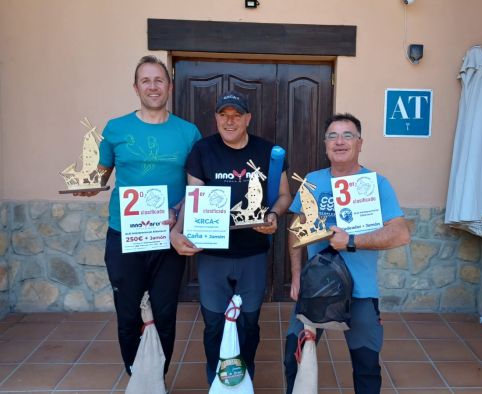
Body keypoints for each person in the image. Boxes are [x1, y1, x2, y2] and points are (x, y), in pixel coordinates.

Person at [75, 55, 202, 377]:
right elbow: (101, 175)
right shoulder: (116, 128)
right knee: (129, 313)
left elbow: (195, 186)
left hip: (168, 237)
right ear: (136, 87)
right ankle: (135, 376)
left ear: (169, 86)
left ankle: (157, 378)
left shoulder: (188, 132)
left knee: (164, 313)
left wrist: (183, 220)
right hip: (124, 235)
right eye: (145, 80)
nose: (153, 86)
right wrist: (90, 185)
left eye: (159, 80)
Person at [283, 113, 411, 394]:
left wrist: (352, 240)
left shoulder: (377, 183)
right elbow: (295, 228)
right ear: (325, 144)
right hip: (316, 289)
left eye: (347, 135)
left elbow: (401, 233)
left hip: (361, 293)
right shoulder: (313, 181)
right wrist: (295, 276)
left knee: (366, 365)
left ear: (360, 143)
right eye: (332, 136)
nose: (339, 142)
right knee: (295, 357)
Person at [170, 90, 292, 384]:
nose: (229, 121)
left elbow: (285, 195)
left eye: (236, 115)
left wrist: (273, 215)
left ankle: (244, 378)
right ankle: (217, 380)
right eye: (224, 115)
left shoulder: (268, 152)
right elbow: (192, 197)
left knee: (250, 323)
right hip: (212, 254)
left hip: (252, 253)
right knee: (213, 323)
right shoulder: (202, 150)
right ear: (216, 118)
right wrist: (177, 230)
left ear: (247, 119)